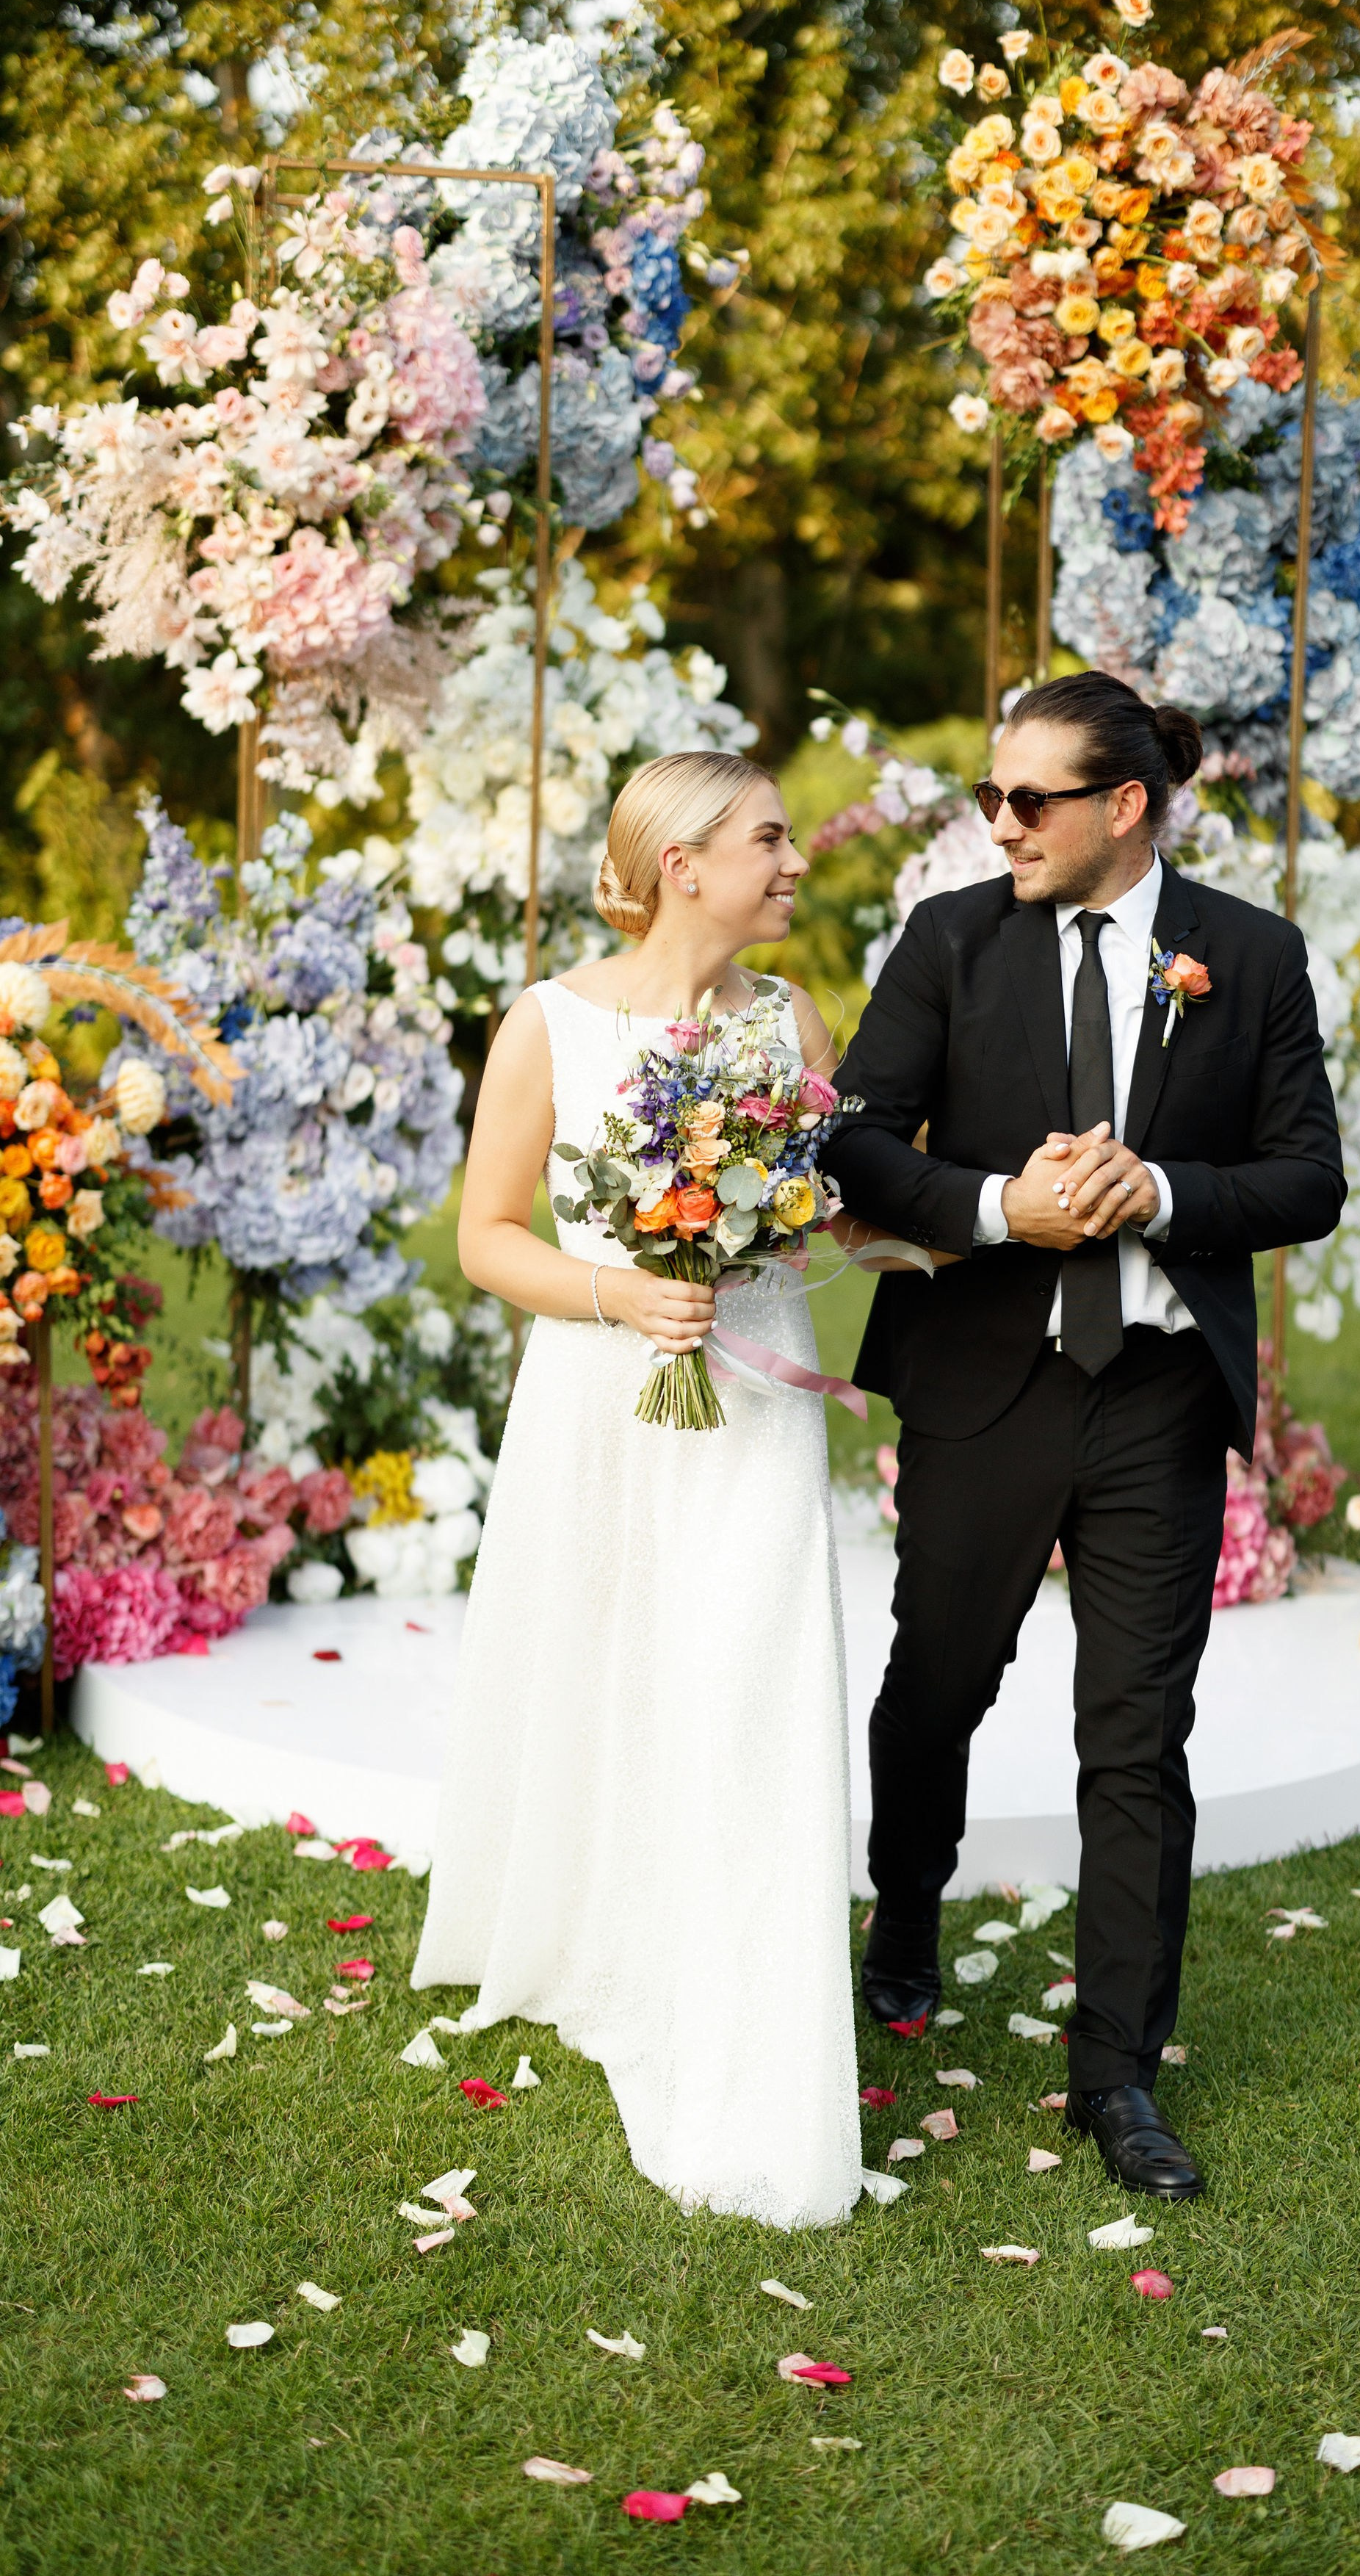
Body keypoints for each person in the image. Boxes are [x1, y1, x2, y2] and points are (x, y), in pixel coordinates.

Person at [823, 671, 1347, 2201]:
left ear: (1127, 807)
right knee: (936, 1690)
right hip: (985, 1381)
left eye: (1031, 800)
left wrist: (1165, 1191)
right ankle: (904, 1910)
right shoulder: (950, 937)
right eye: (993, 797)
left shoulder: (1249, 955)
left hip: (1158, 1401)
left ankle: (1116, 2074)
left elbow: (1307, 1179)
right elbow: (855, 1130)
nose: (1003, 825)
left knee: (1138, 1741)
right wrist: (1004, 1207)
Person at [412, 751, 861, 2230]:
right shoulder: (549, 1023)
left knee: (749, 1676)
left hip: (754, 1395)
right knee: (609, 1669)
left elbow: (827, 1205)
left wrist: (882, 1229)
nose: (795, 864)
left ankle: (741, 1980)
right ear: (685, 863)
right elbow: (487, 1236)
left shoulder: (790, 1019)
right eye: (771, 841)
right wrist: (622, 1294)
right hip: (605, 1396)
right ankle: (610, 1929)